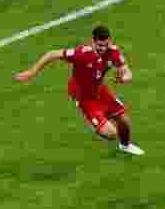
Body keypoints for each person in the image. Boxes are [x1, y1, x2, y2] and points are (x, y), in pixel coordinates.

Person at [13, 25, 143, 155]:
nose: (102, 48)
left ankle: (125, 146)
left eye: (105, 45)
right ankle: (96, 122)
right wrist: (31, 72)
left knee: (124, 120)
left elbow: (126, 71)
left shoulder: (113, 51)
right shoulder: (81, 53)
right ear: (92, 40)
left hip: (100, 90)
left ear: (109, 40)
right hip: (84, 96)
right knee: (111, 134)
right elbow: (52, 54)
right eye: (99, 45)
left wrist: (125, 78)